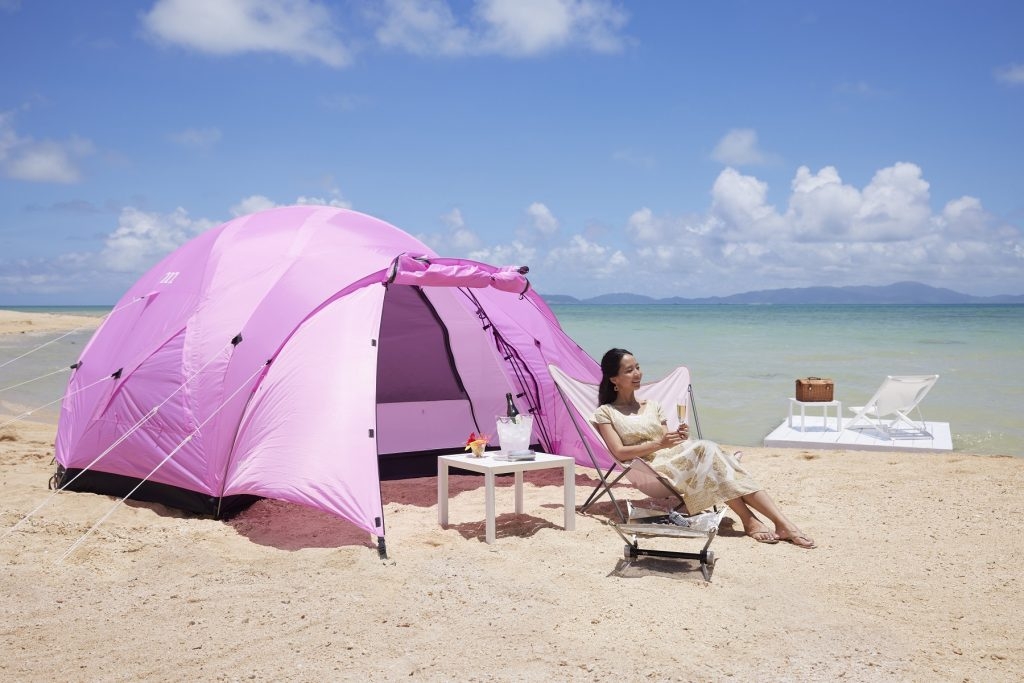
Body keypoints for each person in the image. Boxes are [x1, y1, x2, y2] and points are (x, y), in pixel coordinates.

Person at [591, 348, 815, 548]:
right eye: (629, 370)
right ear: (614, 379)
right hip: (652, 467)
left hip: (677, 456)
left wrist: (678, 437)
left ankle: (768, 522)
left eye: (638, 367)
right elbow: (619, 452)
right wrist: (660, 443)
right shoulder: (606, 413)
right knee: (711, 453)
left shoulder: (653, 406)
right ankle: (770, 523)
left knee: (712, 459)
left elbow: (668, 439)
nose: (638, 373)